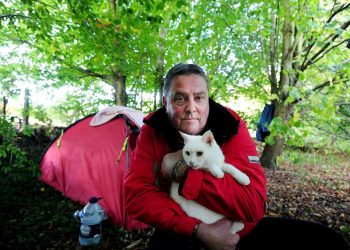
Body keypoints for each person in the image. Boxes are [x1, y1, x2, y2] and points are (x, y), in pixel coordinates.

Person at [124, 63, 348, 250]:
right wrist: (197, 230)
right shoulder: (152, 129)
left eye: (199, 98)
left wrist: (183, 172)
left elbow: (253, 204)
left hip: (240, 229)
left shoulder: (229, 125)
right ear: (165, 102)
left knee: (330, 242)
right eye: (180, 99)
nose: (191, 108)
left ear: (207, 99)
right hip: (180, 227)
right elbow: (137, 196)